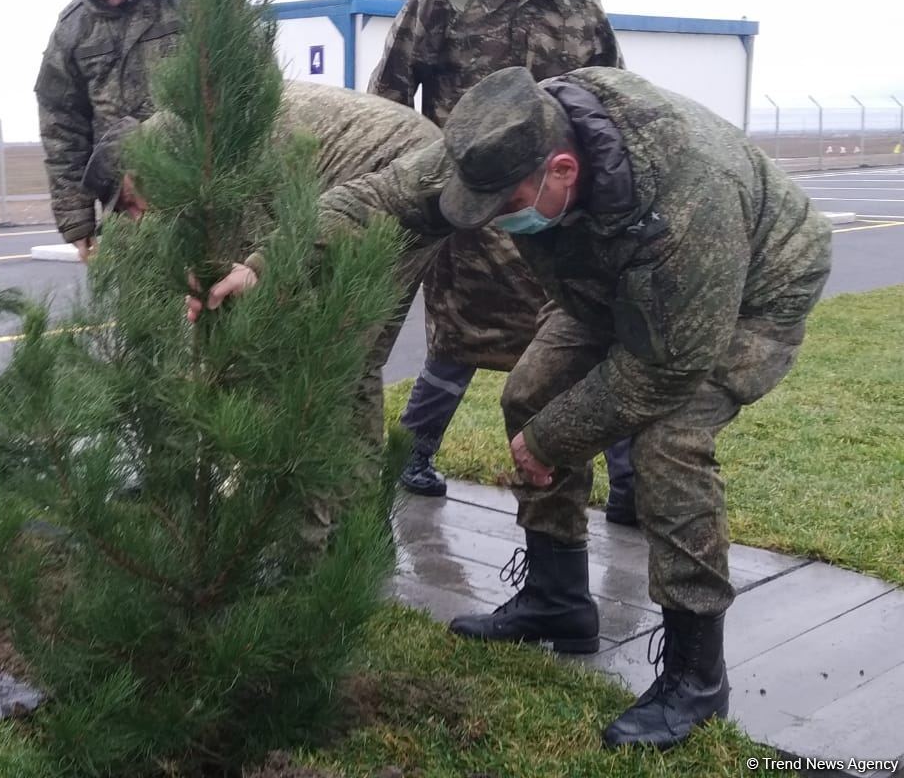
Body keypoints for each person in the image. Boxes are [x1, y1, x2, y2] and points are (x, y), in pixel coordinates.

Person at [269, 65, 830, 750]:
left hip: (748, 291)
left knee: (667, 444)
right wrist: (264, 263)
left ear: (562, 169)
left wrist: (550, 442)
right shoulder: (506, 136)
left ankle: (696, 675)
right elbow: (383, 195)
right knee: (530, 392)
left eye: (505, 206)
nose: (496, 221)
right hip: (614, 278)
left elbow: (662, 367)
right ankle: (558, 600)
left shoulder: (690, 201)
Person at [368, 0, 634, 521]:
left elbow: (611, 87)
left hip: (554, 204)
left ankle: (629, 486)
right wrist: (412, 186)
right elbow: (391, 93)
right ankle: (413, 452)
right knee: (460, 341)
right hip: (472, 207)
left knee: (587, 340)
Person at [81, 80, 446, 454]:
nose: (139, 217)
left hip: (396, 171)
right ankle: (354, 497)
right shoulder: (183, 135)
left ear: (139, 166)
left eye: (130, 202)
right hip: (413, 160)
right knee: (354, 359)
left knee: (327, 356)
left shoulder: (201, 145)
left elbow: (265, 265)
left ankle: (326, 494)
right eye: (126, 214)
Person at [35, 0, 182, 262]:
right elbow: (61, 125)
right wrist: (75, 218)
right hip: (128, 219)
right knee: (144, 319)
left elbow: (248, 89)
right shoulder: (74, 29)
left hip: (205, 206)